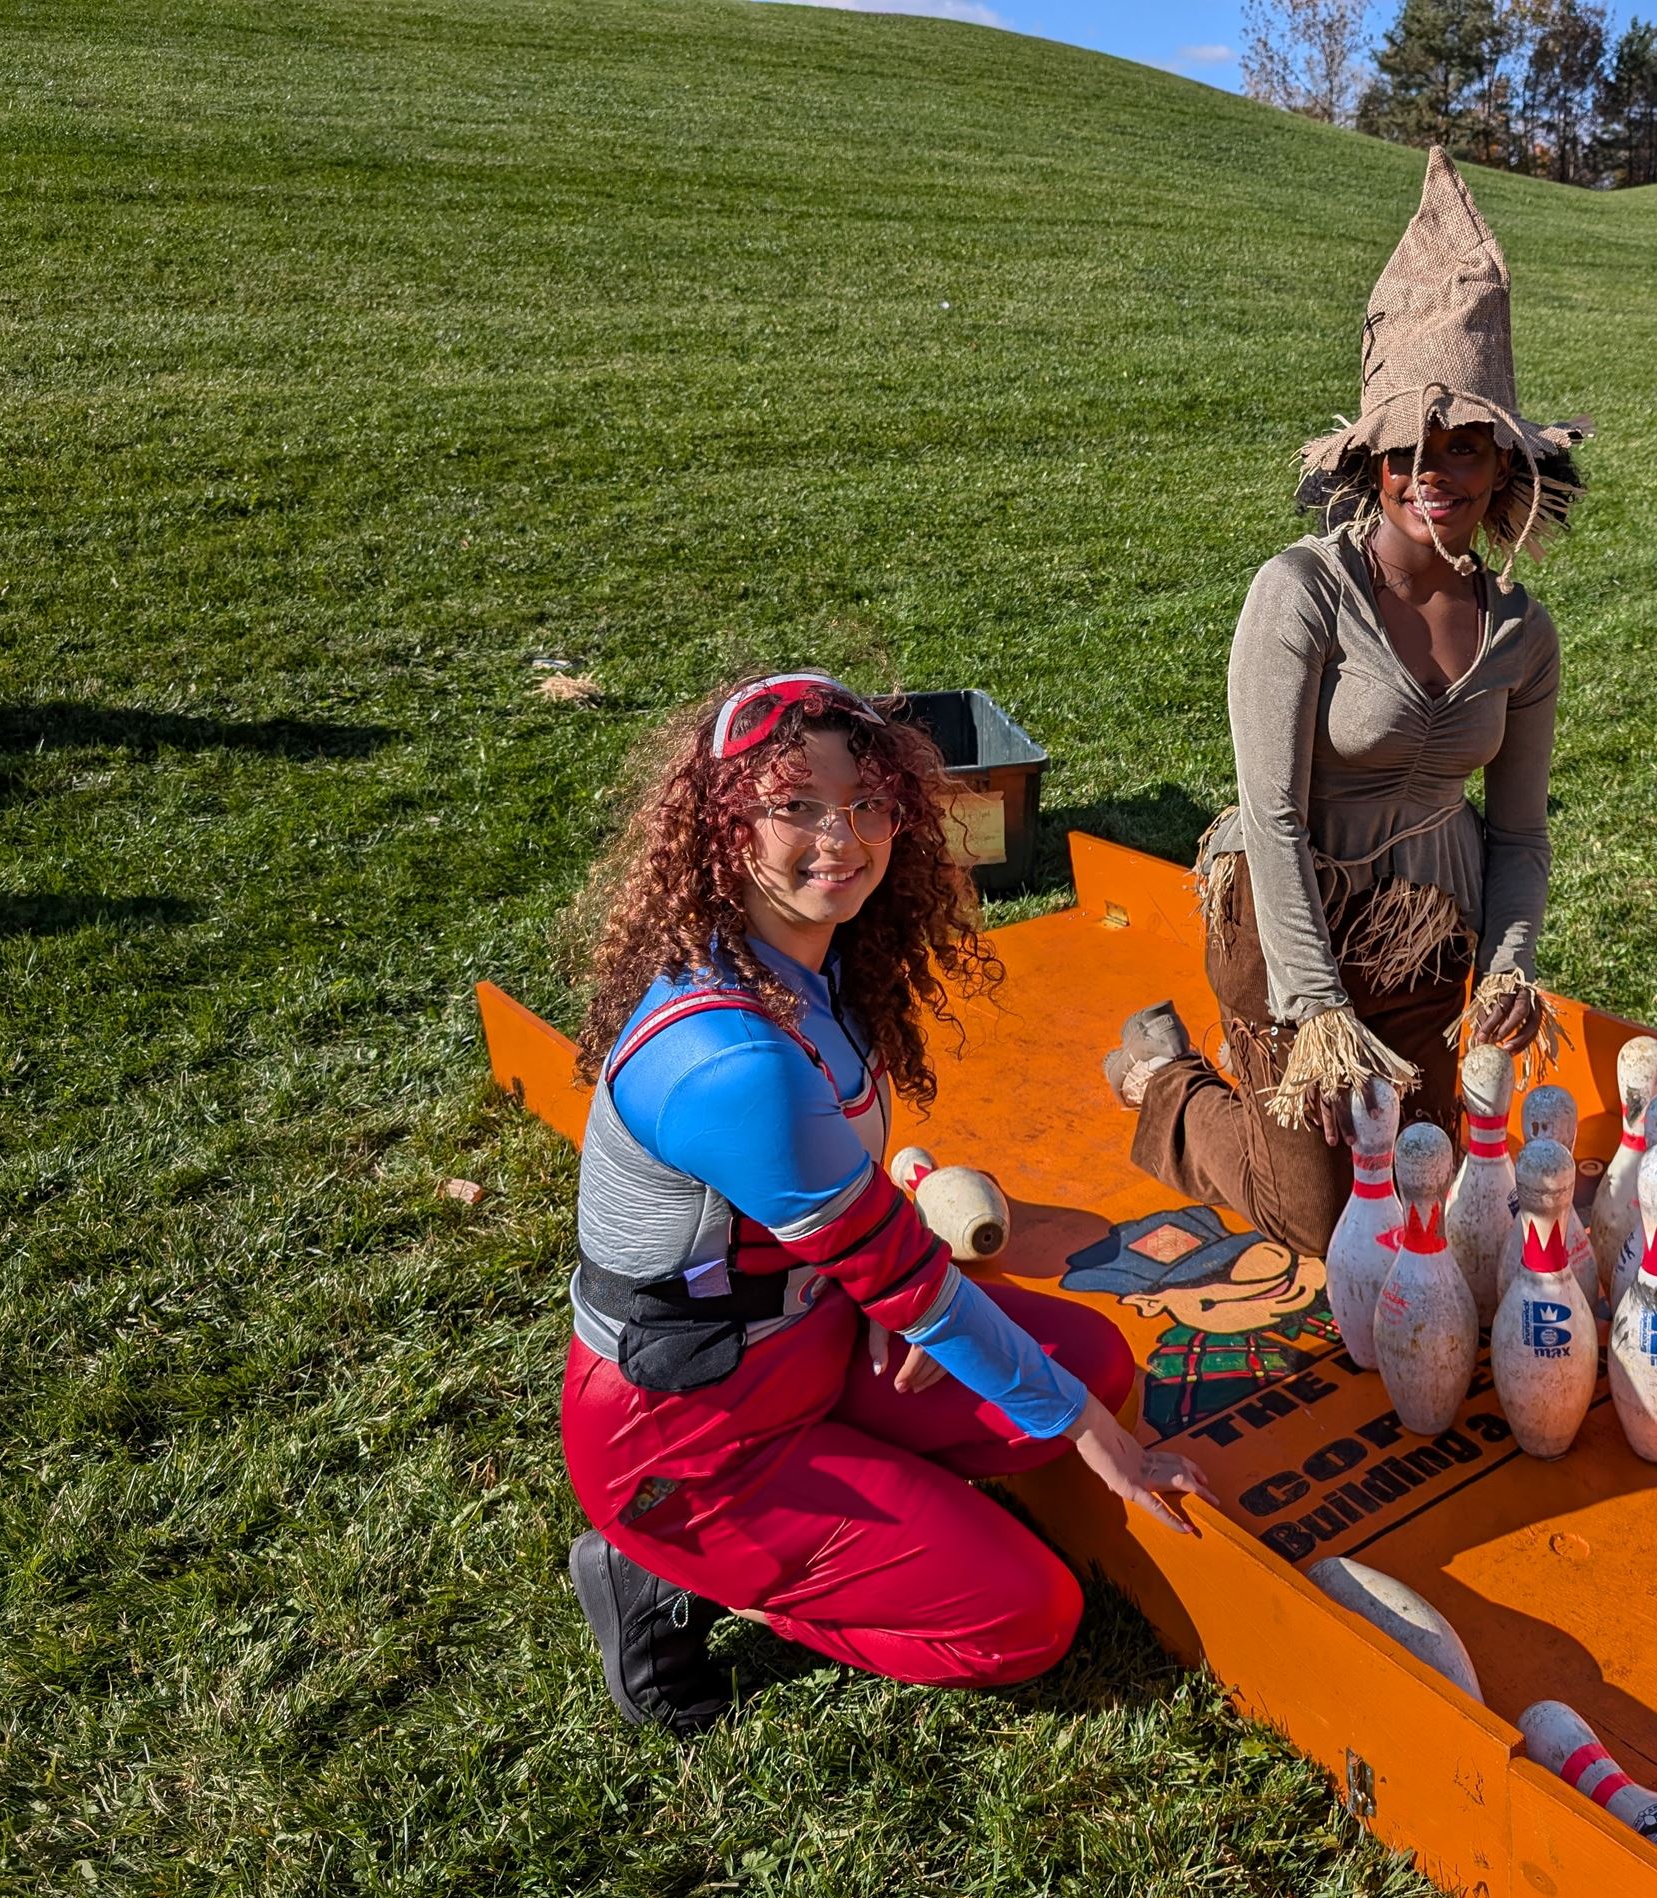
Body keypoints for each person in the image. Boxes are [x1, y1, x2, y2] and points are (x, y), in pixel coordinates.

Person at [561, 672, 1210, 1734]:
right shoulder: (729, 1054)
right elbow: (906, 1275)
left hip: (801, 1339)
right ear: (723, 828)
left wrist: (874, 1298)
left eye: (867, 804)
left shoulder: (799, 962)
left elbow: (853, 1237)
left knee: (1092, 1358)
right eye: (796, 806)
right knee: (1028, 1615)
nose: (843, 836)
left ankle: (866, 1490)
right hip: (686, 1439)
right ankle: (662, 1569)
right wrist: (1105, 1445)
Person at [1106, 147, 1588, 1256]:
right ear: (1367, 461)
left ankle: (1293, 1072)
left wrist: (1508, 962)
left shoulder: (1521, 630)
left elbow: (1516, 829)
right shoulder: (1300, 592)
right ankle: (1164, 1077)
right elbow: (1269, 815)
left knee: (1422, 1199)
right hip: (1288, 932)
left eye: (1465, 445)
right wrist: (1314, 1008)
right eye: (1406, 449)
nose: (1436, 473)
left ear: (1502, 465)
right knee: (1325, 1222)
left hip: (1424, 937)